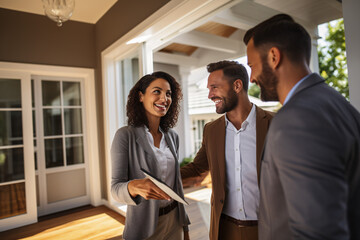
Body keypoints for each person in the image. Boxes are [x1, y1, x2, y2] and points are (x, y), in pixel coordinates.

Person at [243, 14, 360, 240]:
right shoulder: (341, 107)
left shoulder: (296, 120)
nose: (252, 77)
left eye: (252, 65)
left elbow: (318, 233)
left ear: (274, 57)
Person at [181, 60, 273, 240]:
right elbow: (197, 168)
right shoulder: (211, 130)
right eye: (209, 89)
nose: (210, 95)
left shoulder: (275, 124)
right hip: (224, 229)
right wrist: (160, 178)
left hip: (267, 229)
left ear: (237, 85)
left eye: (214, 87)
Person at [111, 71, 190, 240]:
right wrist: (133, 186)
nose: (164, 98)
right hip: (144, 226)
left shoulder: (172, 136)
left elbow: (177, 185)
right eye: (157, 91)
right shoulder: (125, 135)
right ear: (141, 96)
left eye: (168, 94)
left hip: (174, 221)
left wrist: (185, 226)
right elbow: (115, 189)